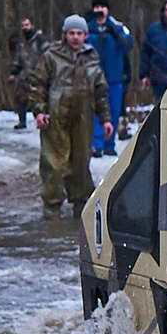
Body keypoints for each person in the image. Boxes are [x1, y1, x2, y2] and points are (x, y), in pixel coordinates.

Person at [32, 14, 110, 218]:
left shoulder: (92, 58)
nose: (75, 37)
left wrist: (106, 119)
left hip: (83, 116)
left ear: (85, 35)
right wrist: (40, 111)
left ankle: (81, 201)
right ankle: (52, 204)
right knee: (54, 162)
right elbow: (38, 85)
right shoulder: (52, 56)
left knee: (81, 161)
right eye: (71, 33)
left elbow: (101, 90)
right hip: (56, 116)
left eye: (79, 33)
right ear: (65, 34)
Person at [84, 0, 132, 154]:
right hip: (93, 77)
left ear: (107, 9)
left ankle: (109, 145)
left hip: (115, 78)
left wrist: (115, 32)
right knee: (97, 110)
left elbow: (128, 45)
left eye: (102, 7)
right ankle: (97, 144)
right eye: (96, 7)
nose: (99, 10)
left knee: (114, 111)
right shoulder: (87, 28)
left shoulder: (118, 27)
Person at [7, 16, 49, 128]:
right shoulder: (21, 43)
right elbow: (18, 59)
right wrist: (13, 73)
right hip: (25, 74)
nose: (25, 27)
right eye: (23, 25)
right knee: (20, 97)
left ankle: (43, 120)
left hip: (40, 74)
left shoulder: (40, 40)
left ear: (32, 26)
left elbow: (48, 54)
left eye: (27, 25)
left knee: (40, 98)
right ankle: (22, 121)